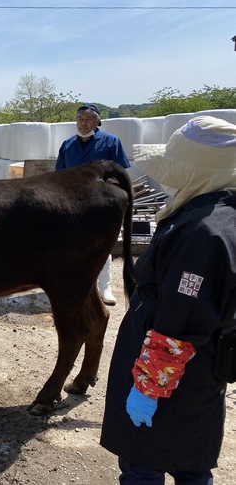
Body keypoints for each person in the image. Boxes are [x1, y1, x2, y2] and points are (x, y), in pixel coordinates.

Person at [100, 115, 236, 484]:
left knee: (146, 462)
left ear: (193, 170)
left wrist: (148, 387)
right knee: (189, 459)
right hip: (198, 372)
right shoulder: (219, 213)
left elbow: (182, 319)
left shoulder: (202, 234)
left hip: (172, 378)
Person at [55, 103, 131, 306]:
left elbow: (120, 172)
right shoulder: (68, 145)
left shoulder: (110, 142)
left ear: (98, 121)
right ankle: (76, 285)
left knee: (101, 244)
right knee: (72, 244)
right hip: (72, 204)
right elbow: (59, 175)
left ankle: (104, 287)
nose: (83, 123)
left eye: (88, 119)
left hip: (101, 205)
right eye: (80, 119)